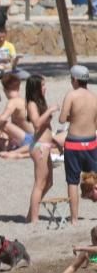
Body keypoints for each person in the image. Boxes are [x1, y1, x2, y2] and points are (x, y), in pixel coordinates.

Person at [16, 75, 60, 223]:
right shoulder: (32, 104)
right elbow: (36, 124)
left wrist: (56, 142)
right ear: (36, 88)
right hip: (39, 148)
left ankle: (31, 213)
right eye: (42, 85)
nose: (45, 88)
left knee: (49, 182)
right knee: (40, 183)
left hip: (46, 145)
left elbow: (46, 129)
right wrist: (50, 110)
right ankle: (33, 218)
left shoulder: (40, 103)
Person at [59, 65, 97, 225]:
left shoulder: (71, 95)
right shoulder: (94, 96)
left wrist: (72, 118)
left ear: (74, 79)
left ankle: (74, 218)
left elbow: (61, 119)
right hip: (91, 142)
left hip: (74, 143)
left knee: (72, 182)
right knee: (95, 178)